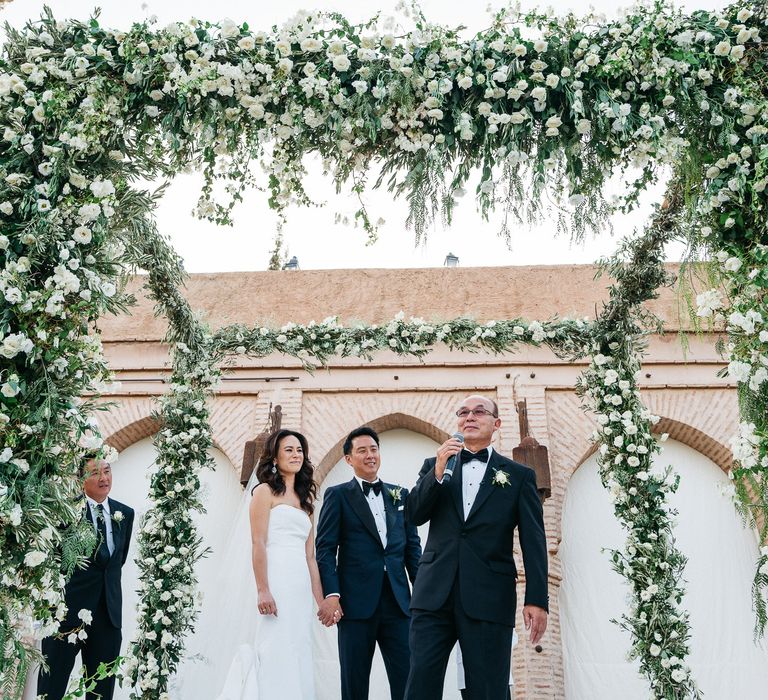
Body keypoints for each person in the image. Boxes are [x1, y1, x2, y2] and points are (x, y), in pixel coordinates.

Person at [404, 395, 548, 700]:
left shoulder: (520, 476)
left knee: (488, 689)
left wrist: (537, 599)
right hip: (433, 595)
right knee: (420, 684)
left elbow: (533, 541)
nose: (469, 417)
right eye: (463, 412)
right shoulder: (434, 466)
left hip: (489, 594)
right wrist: (438, 470)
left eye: (479, 412)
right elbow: (414, 514)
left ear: (496, 424)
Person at [216, 429, 325, 700]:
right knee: (275, 645)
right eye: (289, 449)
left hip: (299, 583)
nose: (296, 455)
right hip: (276, 578)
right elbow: (258, 543)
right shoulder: (264, 492)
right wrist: (263, 589)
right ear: (274, 457)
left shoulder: (306, 501)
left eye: (300, 450)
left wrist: (320, 600)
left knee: (299, 646)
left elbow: (310, 557)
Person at [315, 426, 422, 700]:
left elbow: (412, 549)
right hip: (355, 604)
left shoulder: (401, 495)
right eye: (362, 450)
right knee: (354, 682)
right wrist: (332, 594)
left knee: (409, 680)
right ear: (349, 459)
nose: (369, 455)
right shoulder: (338, 496)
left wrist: (422, 596)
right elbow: (326, 549)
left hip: (399, 603)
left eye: (373, 449)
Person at [38, 455, 134, 700]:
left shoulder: (126, 514)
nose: (103, 478)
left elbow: (116, 563)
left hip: (108, 616)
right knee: (52, 689)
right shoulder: (66, 513)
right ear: (80, 480)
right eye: (95, 473)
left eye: (107, 471)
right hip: (66, 616)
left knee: (101, 691)